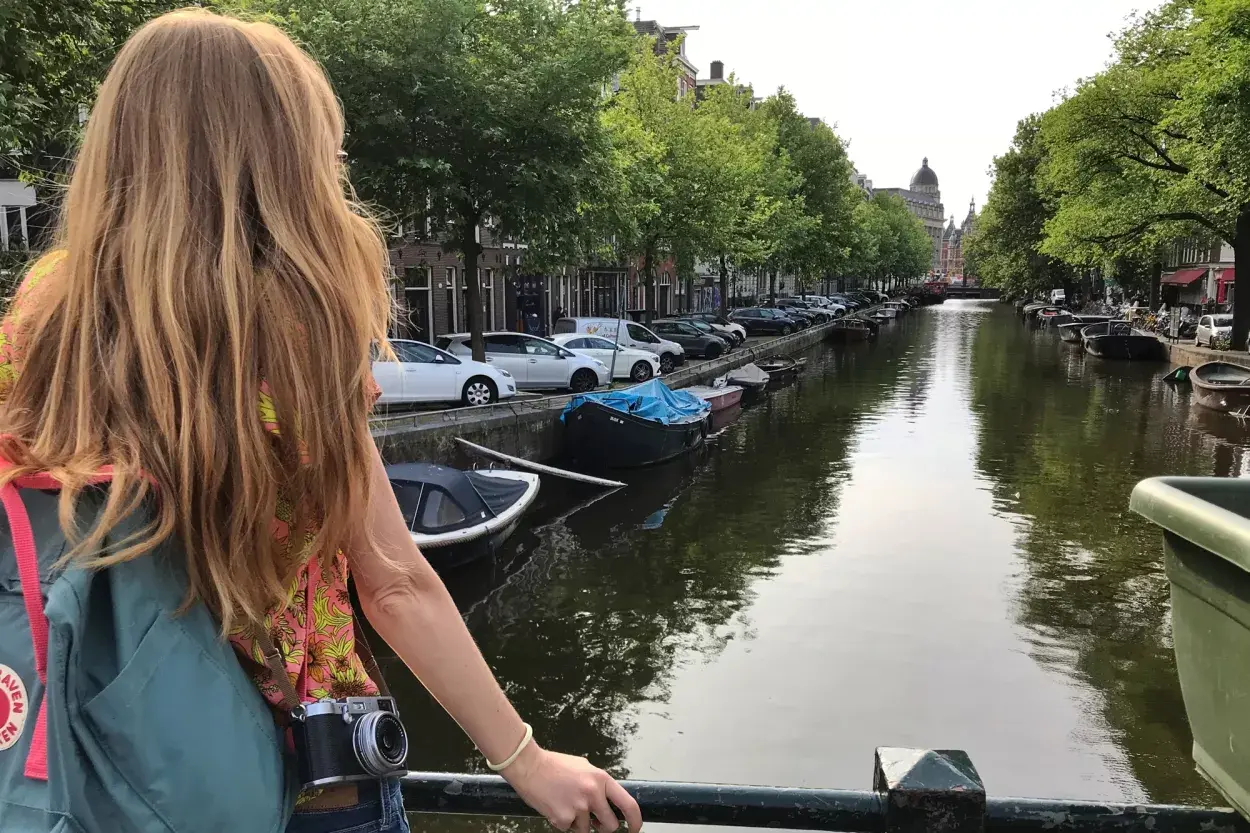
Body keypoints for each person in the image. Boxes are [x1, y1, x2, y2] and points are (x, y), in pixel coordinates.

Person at [0, 10, 641, 833]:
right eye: (325, 153)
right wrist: (525, 758)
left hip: (105, 755)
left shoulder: (44, 312)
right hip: (300, 777)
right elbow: (393, 581)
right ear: (275, 159)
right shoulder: (291, 328)